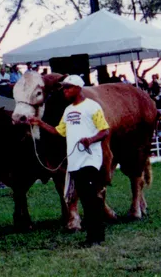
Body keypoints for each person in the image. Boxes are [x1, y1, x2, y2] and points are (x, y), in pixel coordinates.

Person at [29, 74, 110, 246]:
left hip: (89, 159)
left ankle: (95, 236)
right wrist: (39, 123)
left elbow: (104, 130)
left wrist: (90, 139)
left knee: (90, 198)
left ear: (78, 88)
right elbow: (60, 131)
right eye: (63, 88)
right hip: (74, 161)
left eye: (68, 87)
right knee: (86, 199)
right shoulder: (68, 110)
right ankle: (94, 235)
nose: (64, 91)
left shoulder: (92, 106)